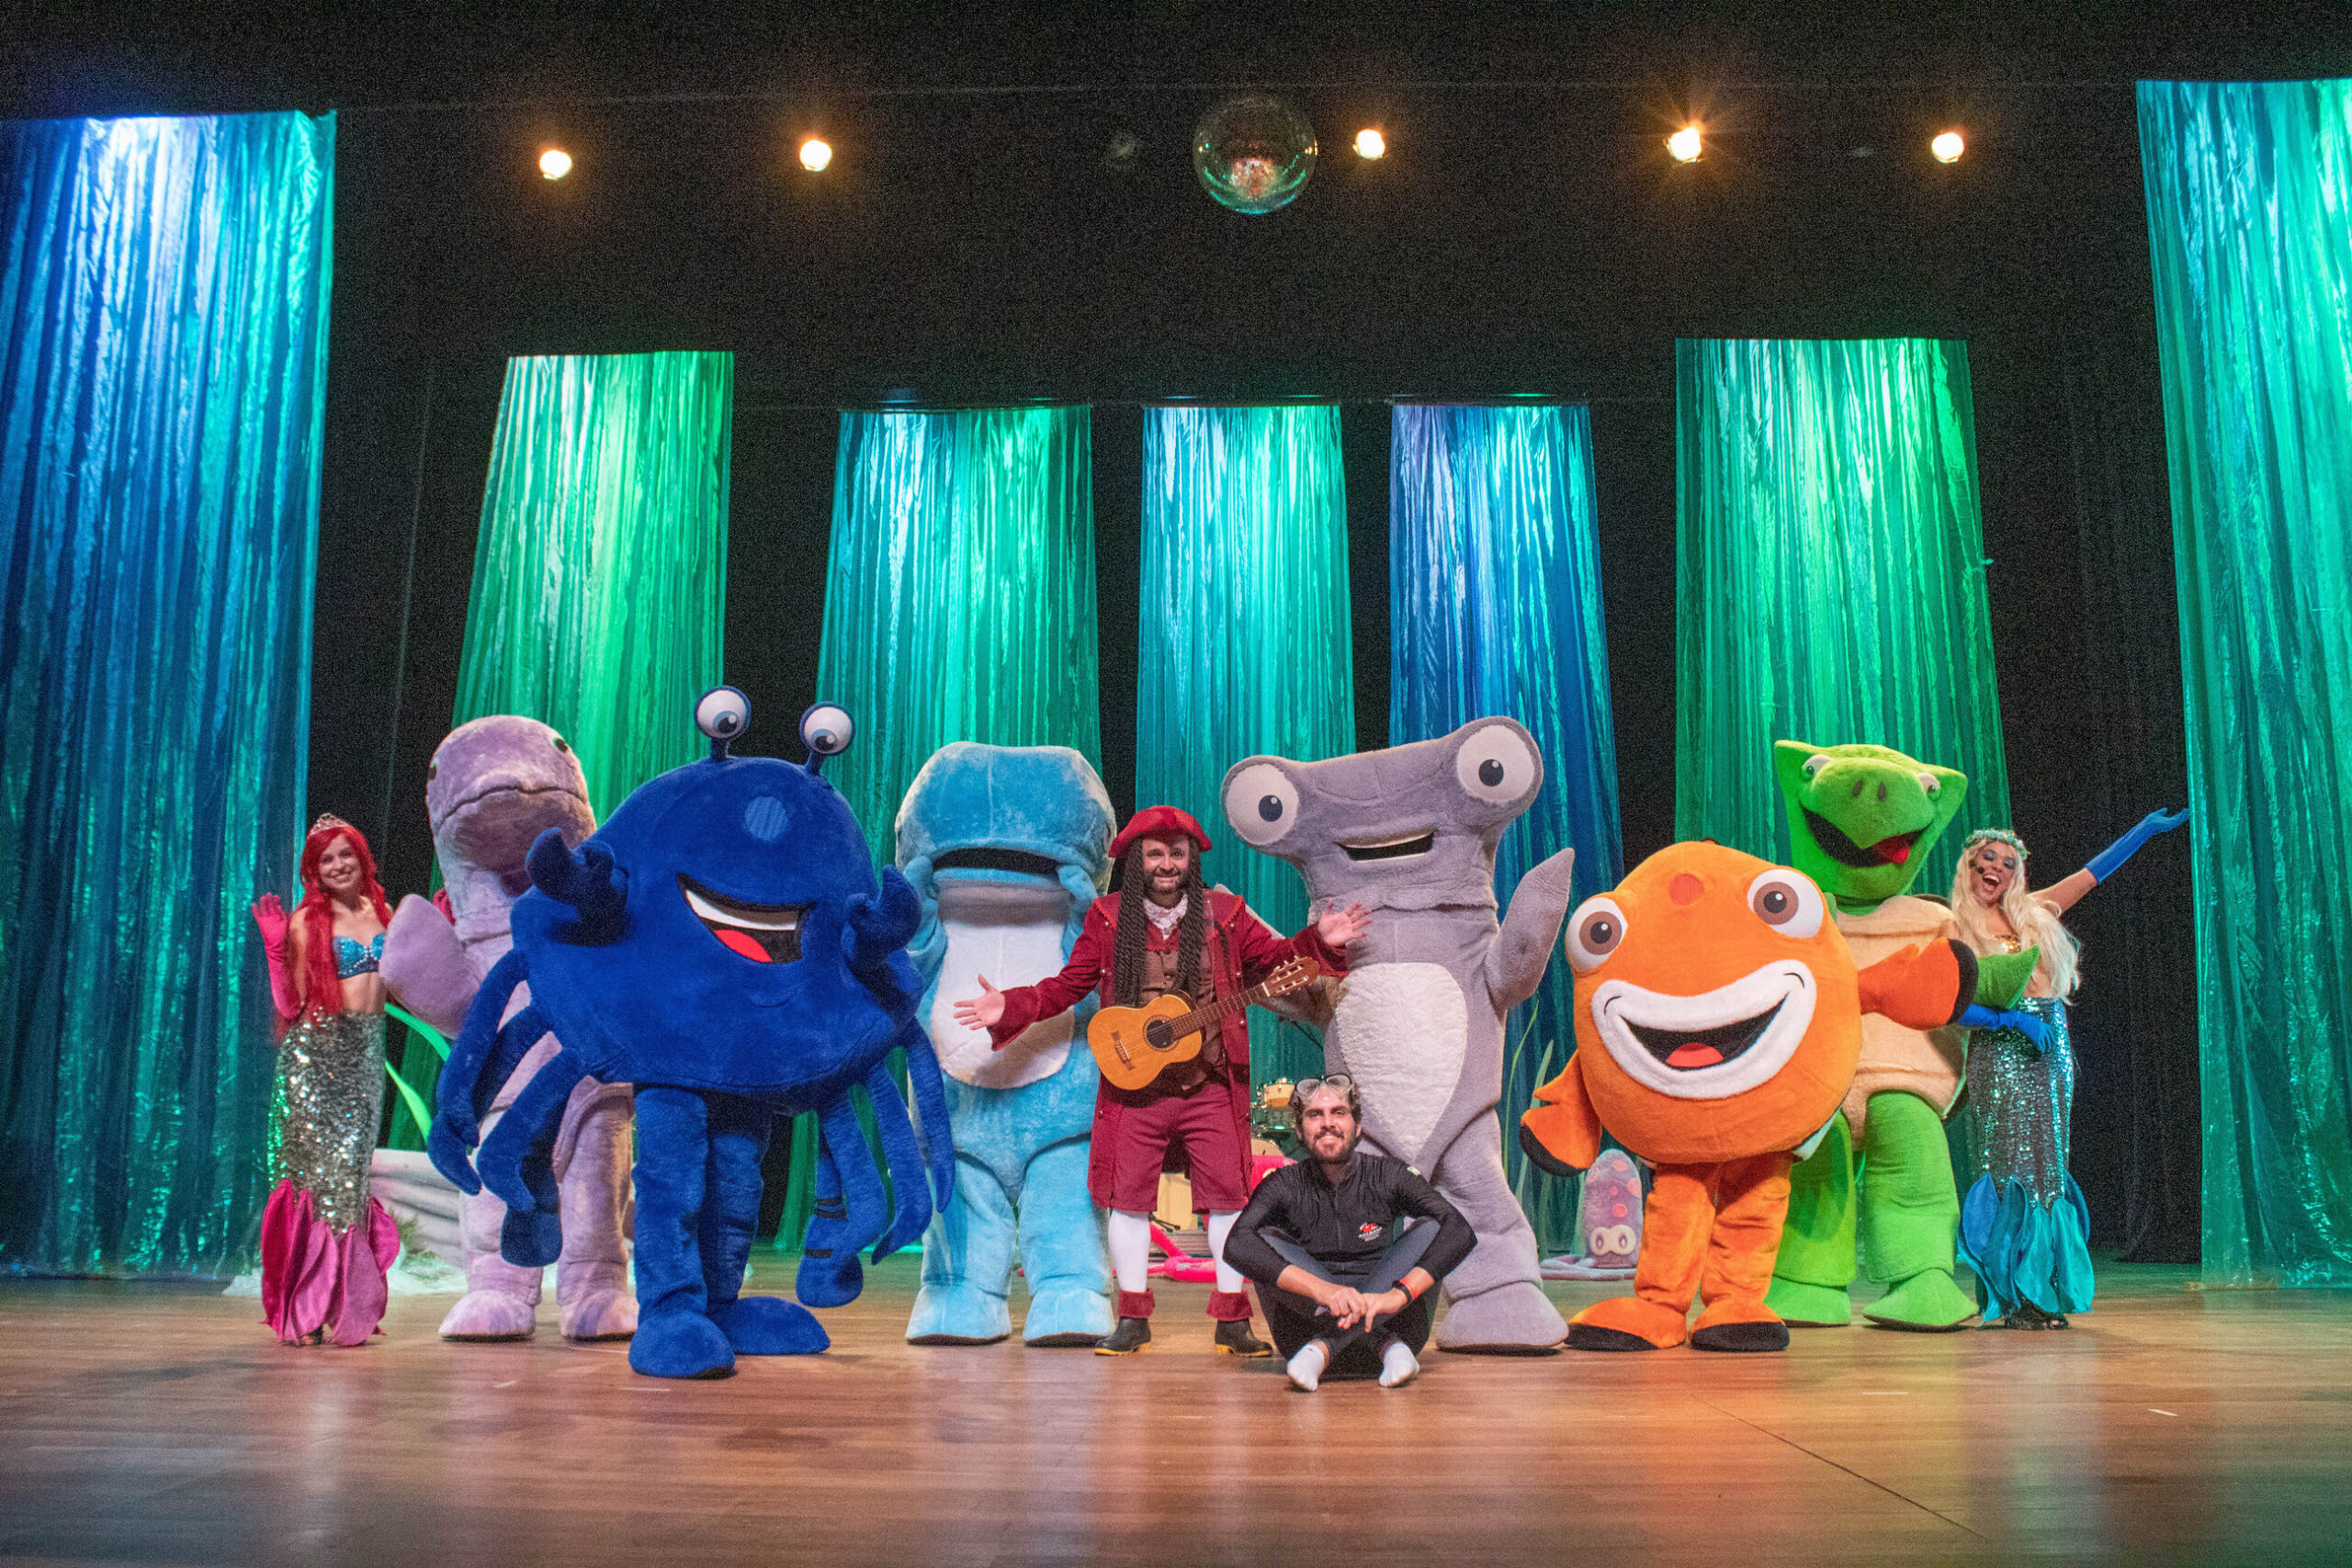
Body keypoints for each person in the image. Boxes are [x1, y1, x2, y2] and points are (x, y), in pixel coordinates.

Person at [956, 805, 1368, 1356]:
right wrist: (1009, 1004)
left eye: (1177, 853)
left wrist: (1319, 939)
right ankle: (1132, 1318)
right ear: (1137, 860)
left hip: (1211, 1085)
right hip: (1135, 1089)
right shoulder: (1107, 917)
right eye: (1155, 854)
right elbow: (1069, 985)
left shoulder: (1226, 914)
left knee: (1227, 1202)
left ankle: (1232, 1320)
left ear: (1191, 859)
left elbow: (1277, 962)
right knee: (1128, 1202)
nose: (1167, 863)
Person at [1948, 810, 2188, 1329]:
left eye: (2007, 863)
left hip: (2051, 1046)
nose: (1996, 868)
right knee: (2010, 1169)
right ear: (1969, 864)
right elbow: (1946, 1002)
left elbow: (2093, 874)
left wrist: (2143, 832)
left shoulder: (2035, 910)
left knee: (2048, 1170)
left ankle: (2044, 1291)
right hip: (2001, 1049)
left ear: (2017, 874)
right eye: (1987, 858)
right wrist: (2007, 1019)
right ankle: (2015, 1297)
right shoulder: (1953, 926)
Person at [248, 814, 401, 1347]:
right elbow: (290, 1005)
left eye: (345, 854)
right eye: (326, 859)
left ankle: (343, 1306)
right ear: (313, 871)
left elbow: (405, 989)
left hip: (365, 1059)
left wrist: (437, 939)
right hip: (314, 1061)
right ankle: (305, 1311)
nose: (338, 865)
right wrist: (275, 951)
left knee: (350, 1186)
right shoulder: (306, 921)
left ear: (362, 857)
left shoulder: (384, 914)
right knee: (317, 1188)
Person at [1223, 1075, 1475, 1389]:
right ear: (1300, 1130)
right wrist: (1323, 1291)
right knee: (1259, 1236)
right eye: (1315, 1114)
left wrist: (1398, 1296)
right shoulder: (1283, 1184)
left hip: (1380, 1329)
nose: (1327, 1123)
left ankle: (1328, 1347)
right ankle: (1385, 1345)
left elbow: (1460, 1230)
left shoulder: (1388, 1174)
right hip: (1304, 1335)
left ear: (1357, 1127)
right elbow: (1236, 1244)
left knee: (1434, 1225)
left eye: (1338, 1112)